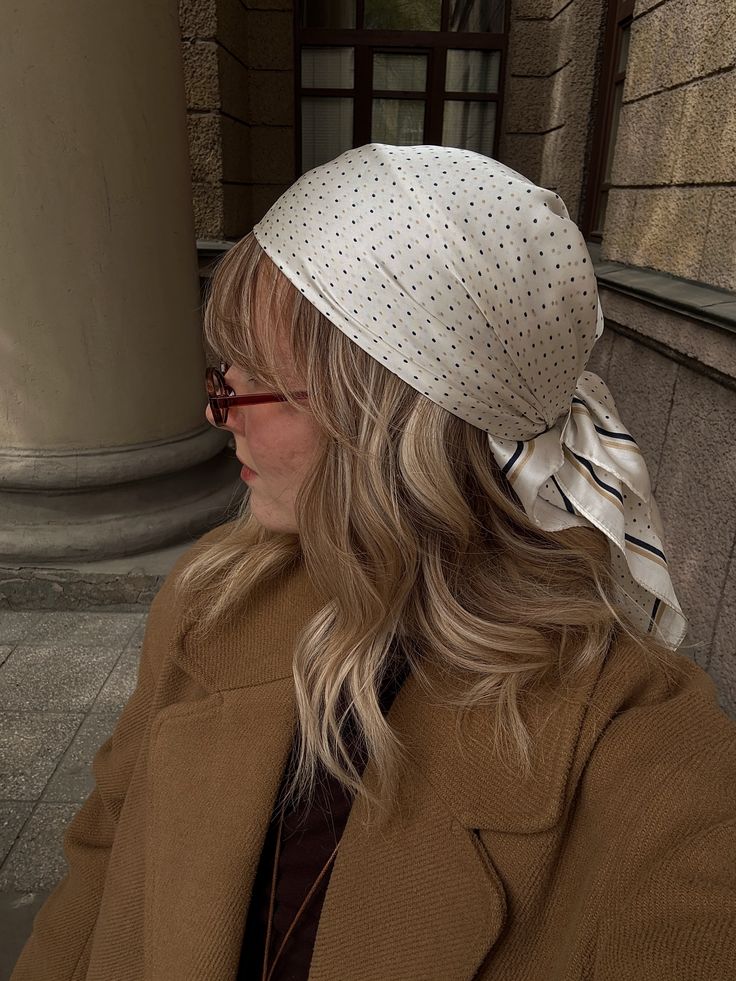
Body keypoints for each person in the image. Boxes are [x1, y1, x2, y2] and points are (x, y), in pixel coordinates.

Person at [12, 144, 736, 981]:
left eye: (256, 383)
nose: (218, 411)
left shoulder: (633, 744)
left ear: (392, 425)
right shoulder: (212, 594)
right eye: (226, 370)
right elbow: (103, 848)